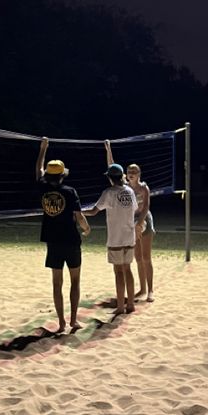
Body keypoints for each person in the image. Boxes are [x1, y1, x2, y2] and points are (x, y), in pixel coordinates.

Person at [36, 138, 91, 334]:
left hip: (53, 242)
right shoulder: (69, 191)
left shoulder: (42, 187)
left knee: (56, 283)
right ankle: (73, 320)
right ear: (62, 175)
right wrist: (86, 228)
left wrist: (43, 148)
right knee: (75, 281)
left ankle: (61, 323)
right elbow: (79, 215)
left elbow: (39, 170)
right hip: (70, 240)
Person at [83, 155, 138, 316]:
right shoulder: (130, 191)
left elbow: (94, 211)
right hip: (129, 237)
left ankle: (121, 307)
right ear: (122, 177)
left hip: (116, 238)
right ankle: (131, 305)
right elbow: (133, 209)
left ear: (110, 178)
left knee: (118, 272)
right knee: (128, 270)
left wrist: (77, 211)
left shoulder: (109, 192)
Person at [105, 141, 155, 301]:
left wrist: (140, 223)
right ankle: (141, 289)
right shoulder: (124, 186)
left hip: (144, 219)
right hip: (131, 221)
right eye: (129, 171)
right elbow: (112, 168)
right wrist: (108, 149)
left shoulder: (143, 188)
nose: (131, 173)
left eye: (134, 171)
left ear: (139, 174)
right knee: (138, 258)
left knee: (146, 257)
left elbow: (146, 207)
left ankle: (150, 291)